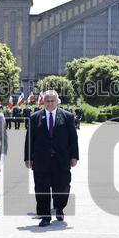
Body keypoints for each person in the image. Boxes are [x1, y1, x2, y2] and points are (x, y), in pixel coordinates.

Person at [24, 89, 80, 227]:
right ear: (43, 102)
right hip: (41, 160)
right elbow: (29, 139)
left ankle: (59, 207)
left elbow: (73, 138)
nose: (49, 103)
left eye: (52, 101)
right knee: (41, 188)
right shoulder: (35, 117)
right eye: (47, 101)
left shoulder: (67, 117)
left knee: (62, 186)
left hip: (61, 160)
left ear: (57, 102)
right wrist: (27, 158)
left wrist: (74, 156)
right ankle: (45, 216)